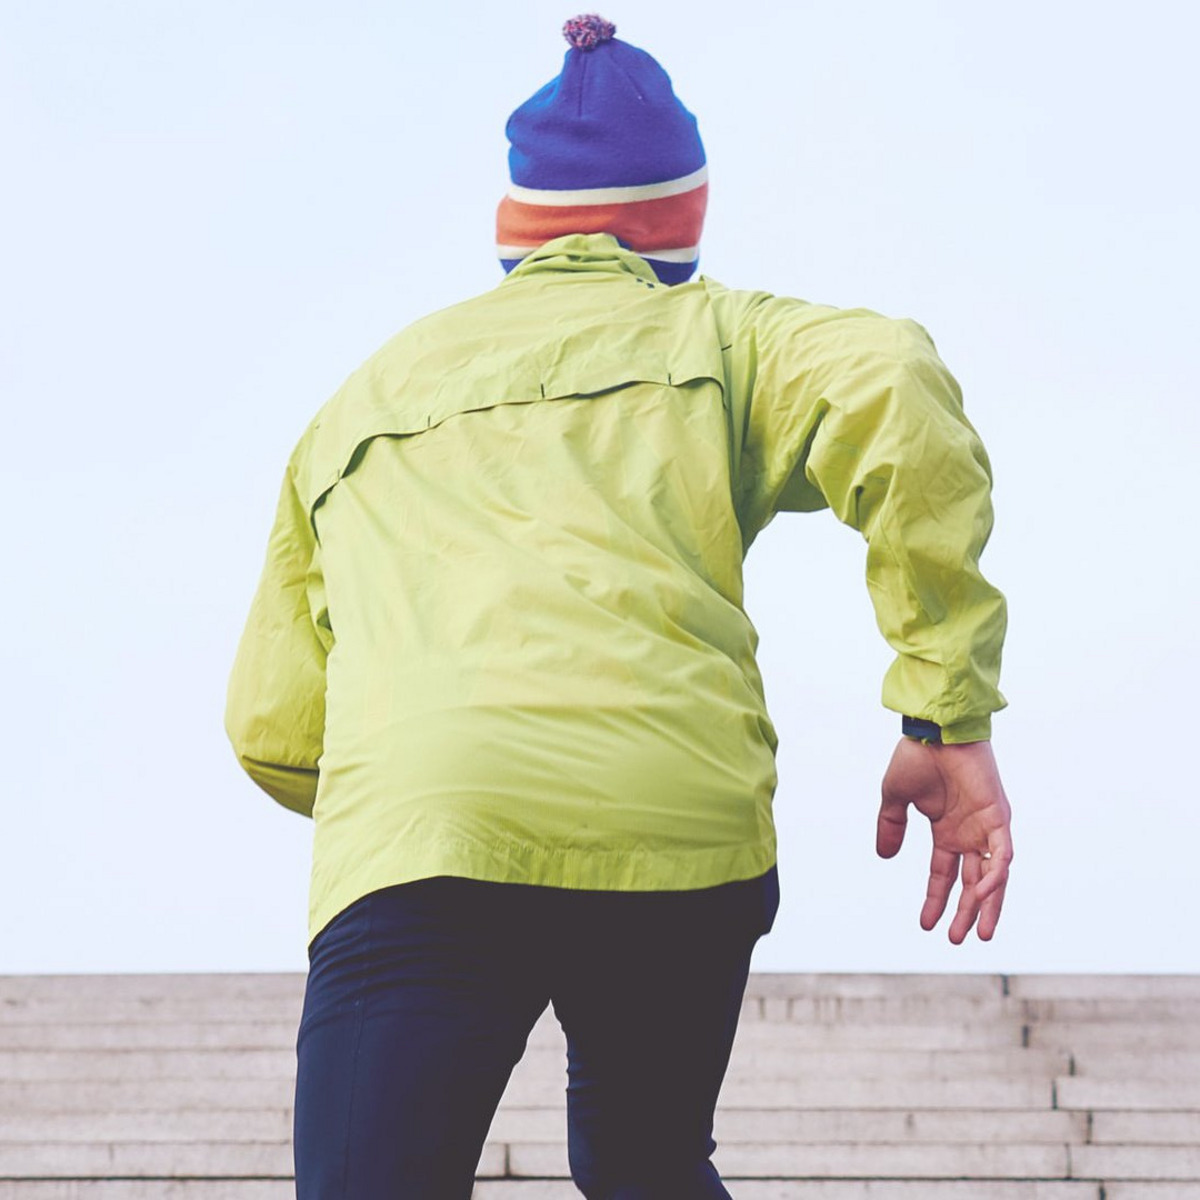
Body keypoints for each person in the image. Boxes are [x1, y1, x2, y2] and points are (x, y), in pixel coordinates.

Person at [225, 14, 1013, 1199]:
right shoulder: (723, 336)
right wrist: (941, 716)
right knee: (647, 1162)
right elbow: (892, 379)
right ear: (681, 219)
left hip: (429, 821)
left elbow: (273, 731)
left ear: (513, 225)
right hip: (676, 821)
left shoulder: (361, 401)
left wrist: (427, 772)